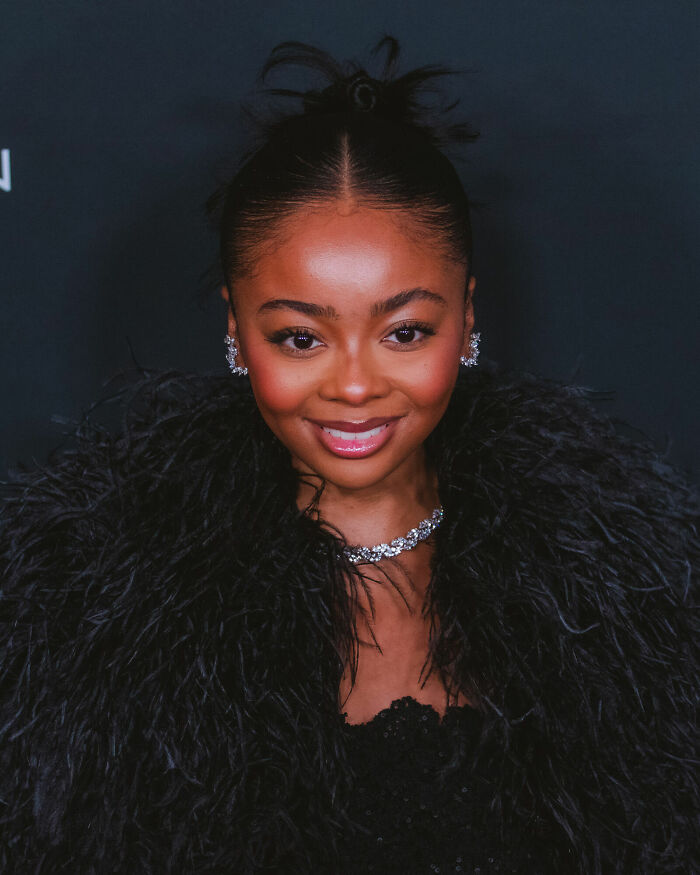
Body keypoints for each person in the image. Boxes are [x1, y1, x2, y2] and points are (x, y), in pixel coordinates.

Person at [1, 36, 697, 874]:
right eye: (301, 337)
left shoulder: (624, 594)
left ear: (467, 319)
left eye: (405, 331)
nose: (357, 385)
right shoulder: (94, 613)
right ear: (234, 329)